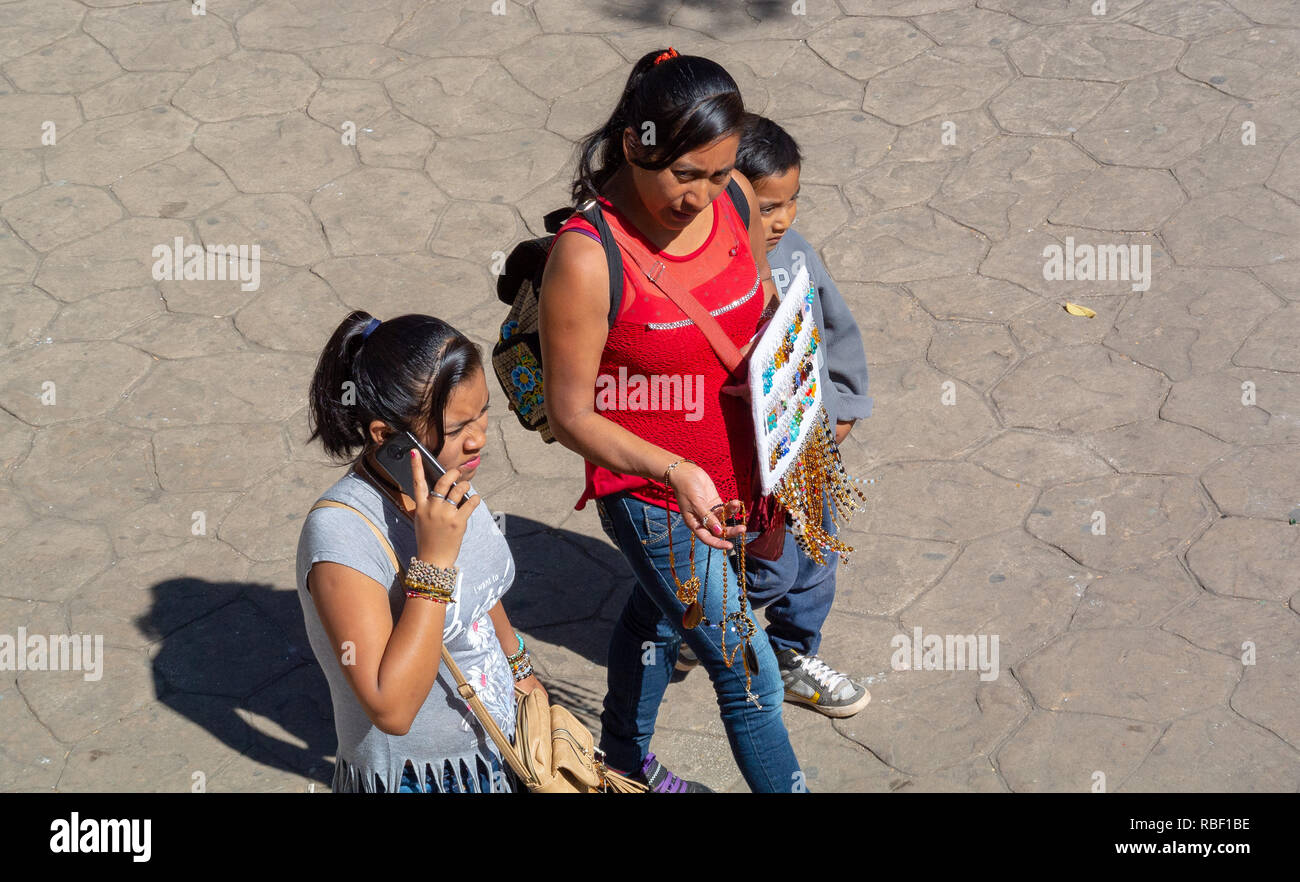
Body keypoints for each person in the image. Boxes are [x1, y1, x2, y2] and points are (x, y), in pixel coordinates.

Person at [538, 48, 805, 793]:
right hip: (656, 493)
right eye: (684, 175)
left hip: (741, 468)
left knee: (656, 615)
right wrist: (673, 468)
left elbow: (758, 313)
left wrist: (795, 389)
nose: (702, 197)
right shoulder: (587, 259)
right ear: (635, 145)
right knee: (747, 669)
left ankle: (619, 761)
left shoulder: (736, 203)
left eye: (718, 175)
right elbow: (570, 416)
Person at [295, 311, 544, 792]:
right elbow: (391, 708)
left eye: (482, 413)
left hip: (502, 751)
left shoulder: (444, 481)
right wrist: (433, 563)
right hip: (422, 779)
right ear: (387, 437)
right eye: (456, 428)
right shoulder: (340, 538)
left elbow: (482, 594)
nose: (479, 439)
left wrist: (523, 674)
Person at [695, 112, 874, 718]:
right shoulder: (708, 278)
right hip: (741, 470)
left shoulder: (796, 255)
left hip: (808, 448)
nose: (784, 220)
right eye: (767, 208)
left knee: (817, 557)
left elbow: (835, 330)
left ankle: (793, 653)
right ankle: (691, 621)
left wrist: (843, 404)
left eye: (791, 202)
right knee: (767, 569)